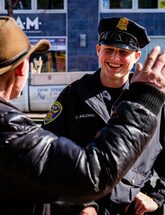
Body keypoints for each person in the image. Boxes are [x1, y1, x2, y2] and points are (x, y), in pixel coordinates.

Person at [0, 16, 165, 215]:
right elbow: (47, 159)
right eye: (109, 50)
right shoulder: (74, 94)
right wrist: (82, 206)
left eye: (123, 52)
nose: (114, 58)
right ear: (98, 50)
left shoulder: (150, 99)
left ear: (137, 56)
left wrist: (156, 196)